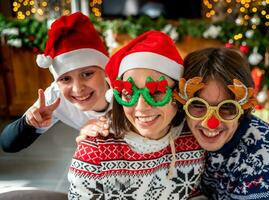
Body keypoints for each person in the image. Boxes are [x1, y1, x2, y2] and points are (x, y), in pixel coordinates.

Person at [68, 30, 206, 199]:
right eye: (128, 93)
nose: (141, 107)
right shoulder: (94, 151)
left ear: (177, 93)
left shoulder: (195, 137)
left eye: (156, 92)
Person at [173, 47, 269, 199]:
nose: (210, 122)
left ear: (242, 108)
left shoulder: (264, 164)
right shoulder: (179, 128)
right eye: (199, 105)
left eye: (226, 107)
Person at [0, 12, 110, 152]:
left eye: (87, 74)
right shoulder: (56, 97)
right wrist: (29, 123)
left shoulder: (126, 88)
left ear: (105, 70)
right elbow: (8, 144)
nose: (77, 89)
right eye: (65, 79)